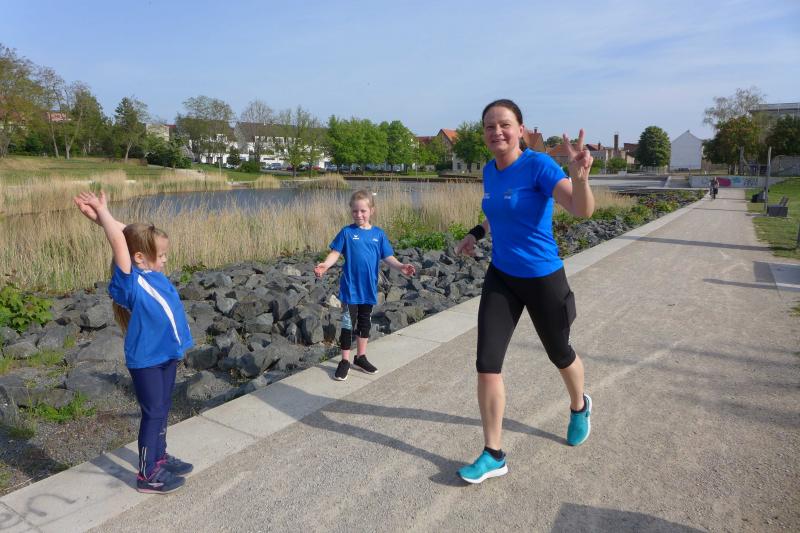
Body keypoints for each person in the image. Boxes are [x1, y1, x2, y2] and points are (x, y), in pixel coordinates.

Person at [454, 99, 595, 484]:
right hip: (502, 276)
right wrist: (476, 234)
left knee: (560, 354)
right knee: (487, 363)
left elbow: (580, 209)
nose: (496, 132)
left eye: (504, 124)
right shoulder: (489, 170)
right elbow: (497, 212)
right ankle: (493, 454)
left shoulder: (539, 166)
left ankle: (579, 405)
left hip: (543, 278)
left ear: (520, 129)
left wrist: (580, 178)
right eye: (489, 126)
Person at [74, 191, 194, 494]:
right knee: (153, 412)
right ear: (139, 258)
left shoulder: (149, 272)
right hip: (147, 360)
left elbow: (129, 235)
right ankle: (147, 474)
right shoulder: (129, 282)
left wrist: (103, 218)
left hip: (167, 354)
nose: (165, 259)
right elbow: (120, 242)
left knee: (163, 407)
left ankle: (160, 457)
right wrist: (103, 214)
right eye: (162, 255)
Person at [315, 189, 416, 381]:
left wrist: (401, 266)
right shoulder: (347, 232)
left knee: (364, 323)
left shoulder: (378, 234)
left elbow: (388, 257)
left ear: (372, 211)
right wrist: (325, 265)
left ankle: (360, 357)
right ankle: (345, 360)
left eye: (363, 211)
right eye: (355, 211)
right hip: (350, 288)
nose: (359, 215)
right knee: (347, 324)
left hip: (368, 288)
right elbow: (335, 253)